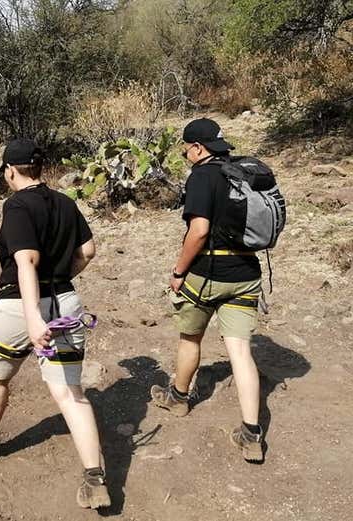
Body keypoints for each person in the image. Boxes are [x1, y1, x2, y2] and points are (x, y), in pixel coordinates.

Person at [0, 139, 111, 510]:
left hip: (18, 307)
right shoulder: (66, 202)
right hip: (66, 303)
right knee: (71, 393)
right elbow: (87, 251)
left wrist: (32, 315)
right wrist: (62, 278)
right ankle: (95, 478)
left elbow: (26, 260)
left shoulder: (17, 205)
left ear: (10, 171)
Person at [150, 118, 265, 462]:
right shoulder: (240, 171)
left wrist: (178, 271)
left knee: (190, 339)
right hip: (246, 272)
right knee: (241, 352)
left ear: (197, 148)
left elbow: (198, 231)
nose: (185, 153)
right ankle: (251, 433)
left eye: (186, 148)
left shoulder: (202, 176)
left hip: (208, 273)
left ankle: (179, 398)